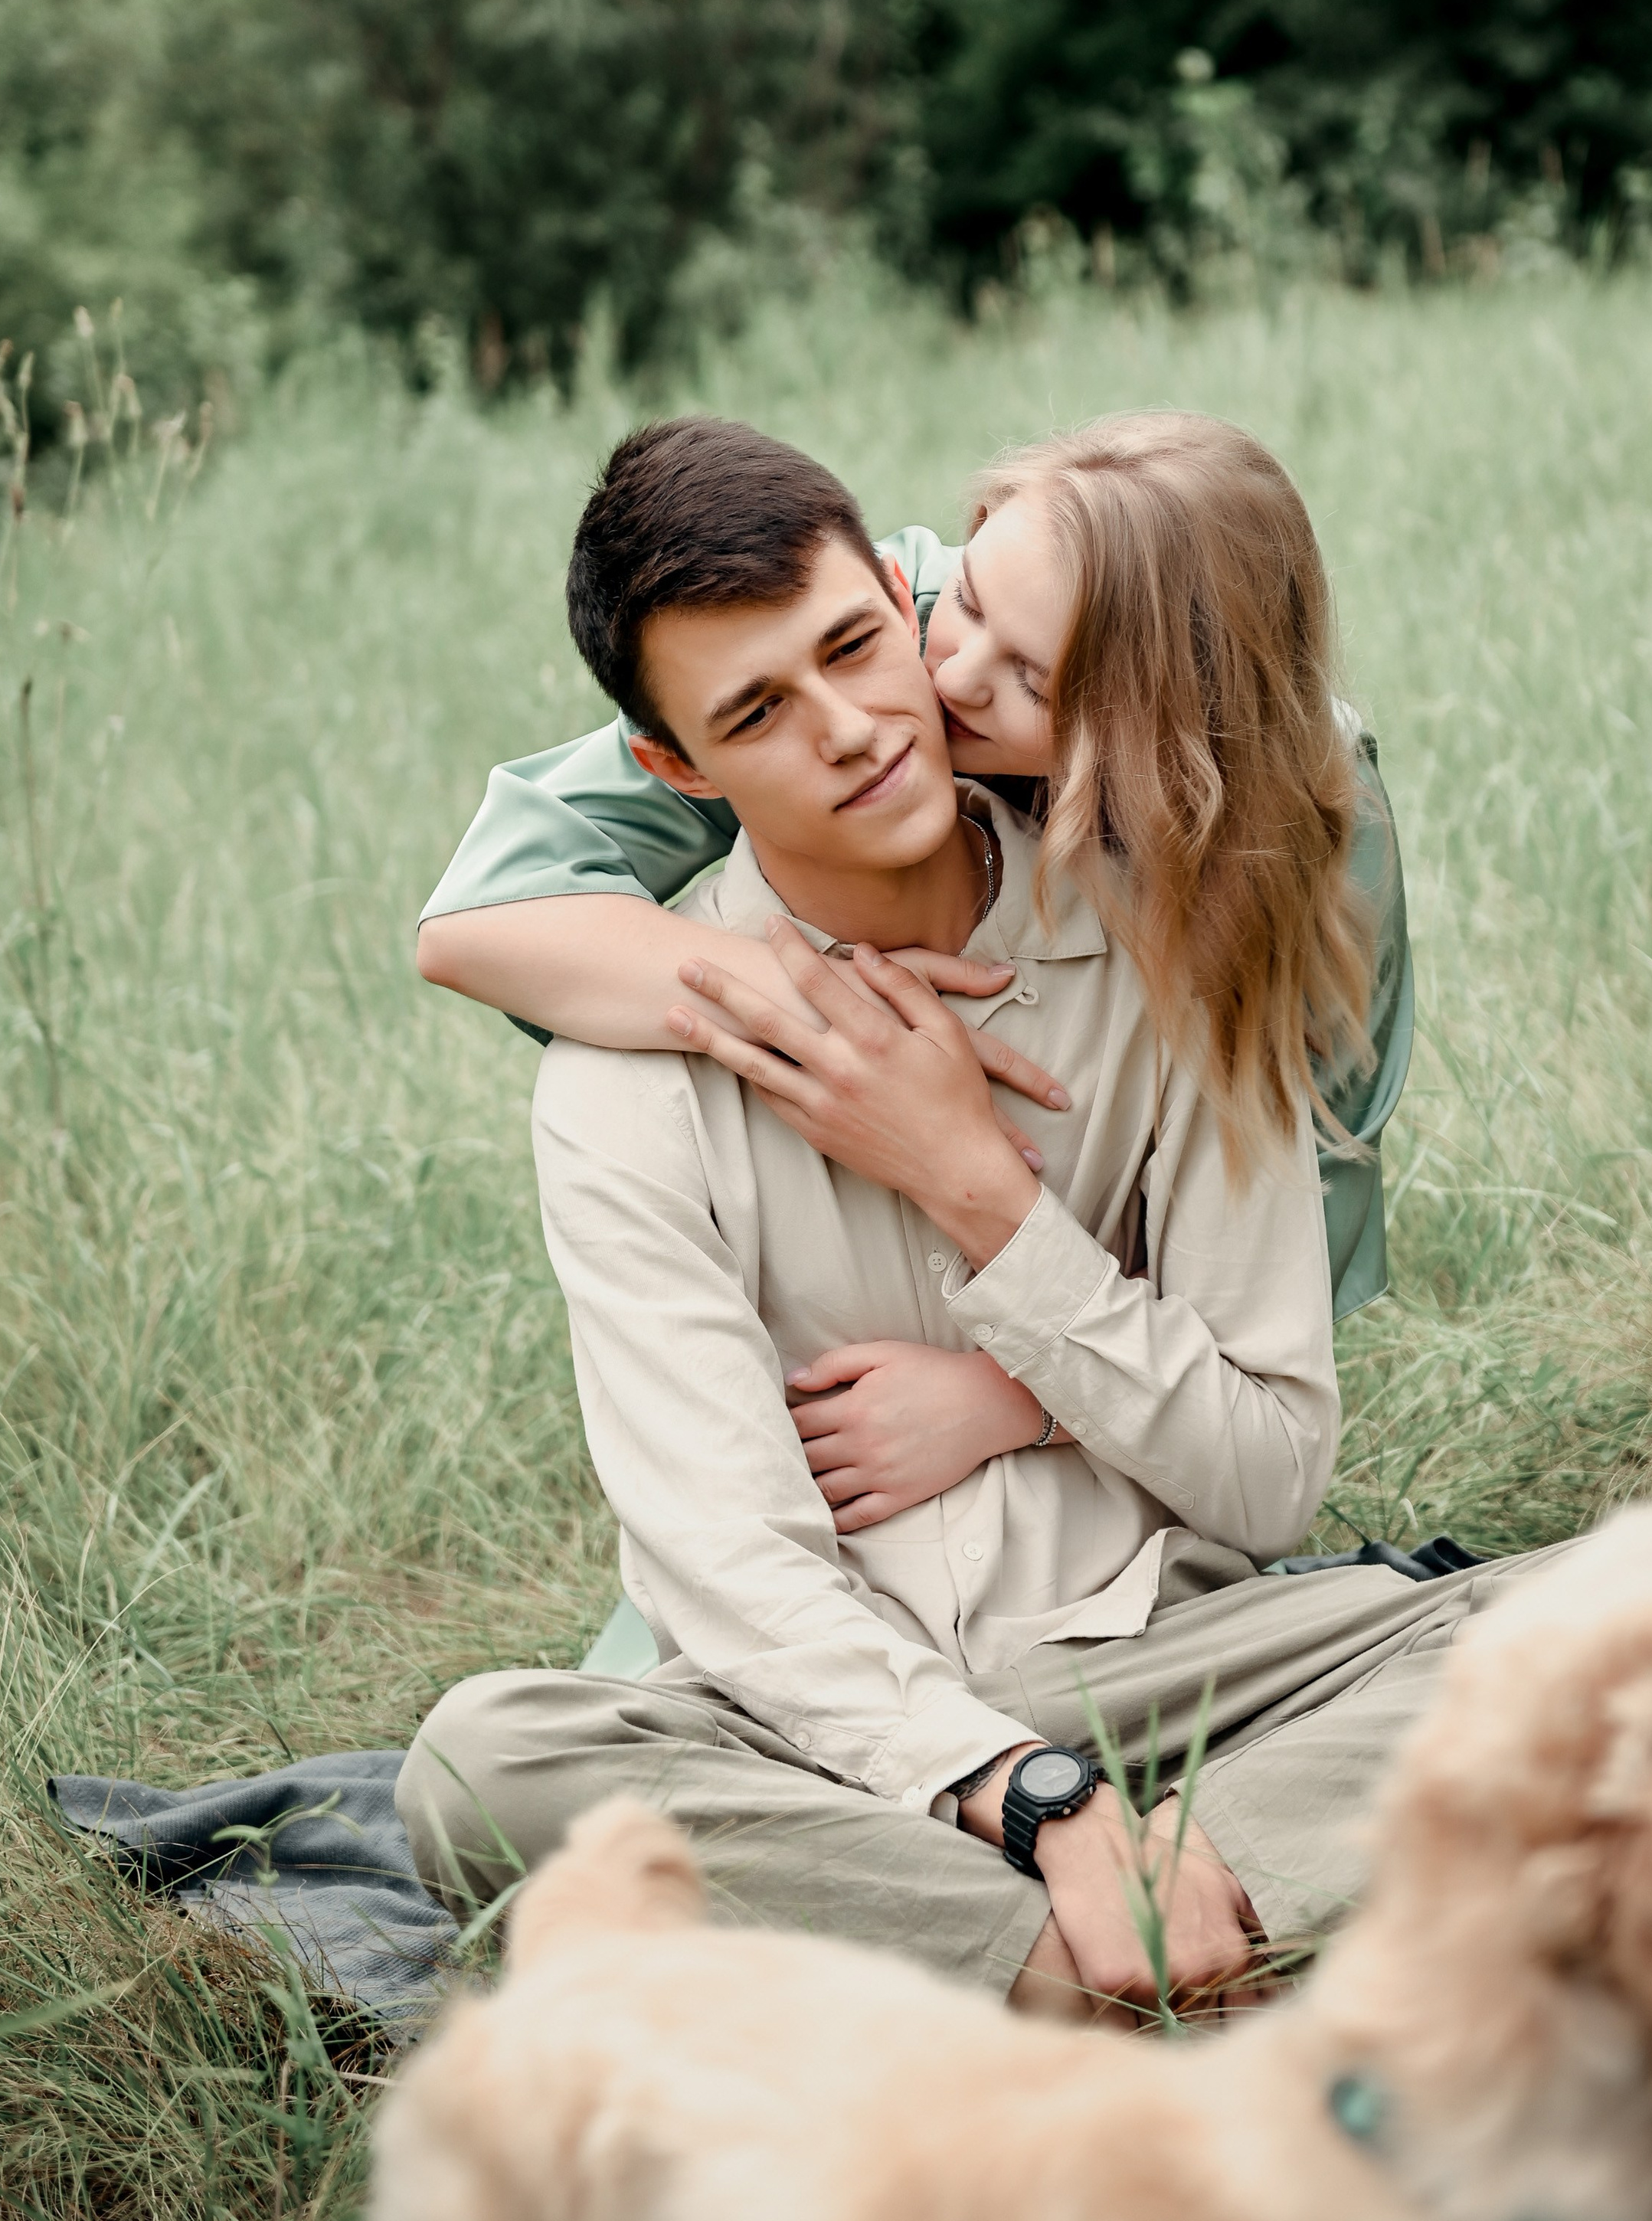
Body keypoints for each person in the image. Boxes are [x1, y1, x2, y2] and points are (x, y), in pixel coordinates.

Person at [397, 420, 1526, 2022]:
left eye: (859, 644)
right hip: (826, 1726)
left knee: (1580, 1618)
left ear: (895, 588)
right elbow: (728, 1565)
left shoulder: (1180, 937)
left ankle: (1100, 1947)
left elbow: (1268, 1479)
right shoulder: (620, 1083)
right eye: (758, 713)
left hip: (1170, 1664)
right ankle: (1123, 1962)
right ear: (677, 767)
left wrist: (990, 1208)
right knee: (481, 1765)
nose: (856, 728)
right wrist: (1029, 1798)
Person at [417, 413, 1414, 1567]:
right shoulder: (891, 622)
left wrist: (1017, 1394)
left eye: (1034, 680)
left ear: (1150, 739)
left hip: (1133, 1496)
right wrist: (810, 987)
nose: (942, 686)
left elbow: (1263, 1356)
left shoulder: (1276, 866)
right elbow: (470, 924)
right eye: (962, 612)